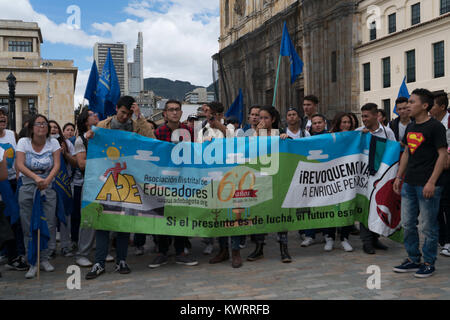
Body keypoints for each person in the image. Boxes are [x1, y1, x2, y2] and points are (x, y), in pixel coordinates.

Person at [86, 96, 155, 280]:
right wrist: (90, 136)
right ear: (116, 109)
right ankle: (99, 262)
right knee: (103, 223)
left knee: (124, 223)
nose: (125, 116)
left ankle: (121, 261)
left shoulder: (136, 125)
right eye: (123, 112)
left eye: (129, 113)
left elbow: (151, 140)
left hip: (128, 180)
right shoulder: (103, 125)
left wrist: (140, 117)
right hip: (106, 181)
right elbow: (92, 145)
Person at [393, 88, 448, 278]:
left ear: (425, 106)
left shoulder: (436, 127)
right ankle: (413, 258)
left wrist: (432, 182)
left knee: (428, 226)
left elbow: (442, 156)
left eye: (412, 102)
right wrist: (399, 177)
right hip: (409, 182)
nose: (408, 105)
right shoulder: (411, 127)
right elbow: (407, 153)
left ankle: (428, 262)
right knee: (408, 223)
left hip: (429, 185)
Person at [148, 99, 199, 269]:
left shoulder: (189, 131)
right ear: (165, 113)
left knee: (181, 215)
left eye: (177, 109)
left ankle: (181, 251)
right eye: (171, 110)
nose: (174, 112)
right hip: (163, 180)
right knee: (162, 216)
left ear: (181, 113)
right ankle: (162, 252)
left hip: (184, 181)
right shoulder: (159, 132)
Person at [16, 114, 61, 279]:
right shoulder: (23, 142)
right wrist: (36, 178)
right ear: (31, 127)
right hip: (28, 186)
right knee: (28, 226)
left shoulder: (53, 142)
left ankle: (45, 258)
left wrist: (47, 180)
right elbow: (19, 164)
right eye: (38, 124)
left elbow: (57, 164)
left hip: (48, 187)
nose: (42, 127)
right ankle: (32, 261)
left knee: (48, 223)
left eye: (44, 124)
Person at [246, 105, 292, 263]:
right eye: (260, 117)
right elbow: (249, 151)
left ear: (273, 119)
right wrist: (258, 133)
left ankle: (284, 249)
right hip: (260, 180)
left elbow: (290, 150)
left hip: (277, 180)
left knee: (280, 214)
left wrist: (286, 138)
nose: (262, 121)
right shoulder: (254, 135)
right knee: (260, 212)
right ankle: (259, 248)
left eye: (266, 118)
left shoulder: (280, 134)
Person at [72, 108, 113, 268]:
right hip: (90, 184)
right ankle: (82, 254)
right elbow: (81, 164)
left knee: (106, 218)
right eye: (91, 115)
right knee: (89, 220)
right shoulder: (80, 140)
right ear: (84, 121)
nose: (95, 115)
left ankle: (102, 250)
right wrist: (102, 161)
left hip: (106, 184)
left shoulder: (103, 136)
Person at [356, 103, 395, 254]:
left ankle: (375, 238)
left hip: (381, 176)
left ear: (375, 115)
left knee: (378, 206)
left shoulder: (387, 132)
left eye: (366, 116)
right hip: (364, 177)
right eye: (362, 116)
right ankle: (366, 242)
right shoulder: (359, 132)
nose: (364, 119)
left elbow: (393, 152)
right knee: (366, 208)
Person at [321, 112, 355, 252]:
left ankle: (344, 238)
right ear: (338, 123)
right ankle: (329, 237)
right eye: (343, 122)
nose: (346, 125)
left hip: (347, 177)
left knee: (346, 207)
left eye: (348, 122)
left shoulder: (355, 137)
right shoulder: (330, 137)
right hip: (332, 176)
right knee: (331, 207)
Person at [0, 107, 27, 271]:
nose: (2, 117)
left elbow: (17, 157)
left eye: (3, 115)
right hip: (0, 184)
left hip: (12, 182)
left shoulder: (11, 134)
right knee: (4, 219)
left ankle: (14, 255)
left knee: (13, 218)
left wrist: (18, 175)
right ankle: (9, 254)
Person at [48, 120, 77, 258]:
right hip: (49, 185)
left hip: (65, 185)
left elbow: (75, 163)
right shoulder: (44, 143)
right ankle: (51, 247)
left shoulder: (68, 144)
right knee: (51, 218)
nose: (53, 129)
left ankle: (66, 245)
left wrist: (65, 154)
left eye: (55, 127)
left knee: (65, 216)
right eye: (51, 127)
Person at [430, 92, 450, 257]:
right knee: (436, 205)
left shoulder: (448, 123)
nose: (429, 108)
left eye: (433, 105)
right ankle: (442, 238)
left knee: (447, 206)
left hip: (448, 170)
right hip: (434, 169)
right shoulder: (430, 123)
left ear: (442, 107)